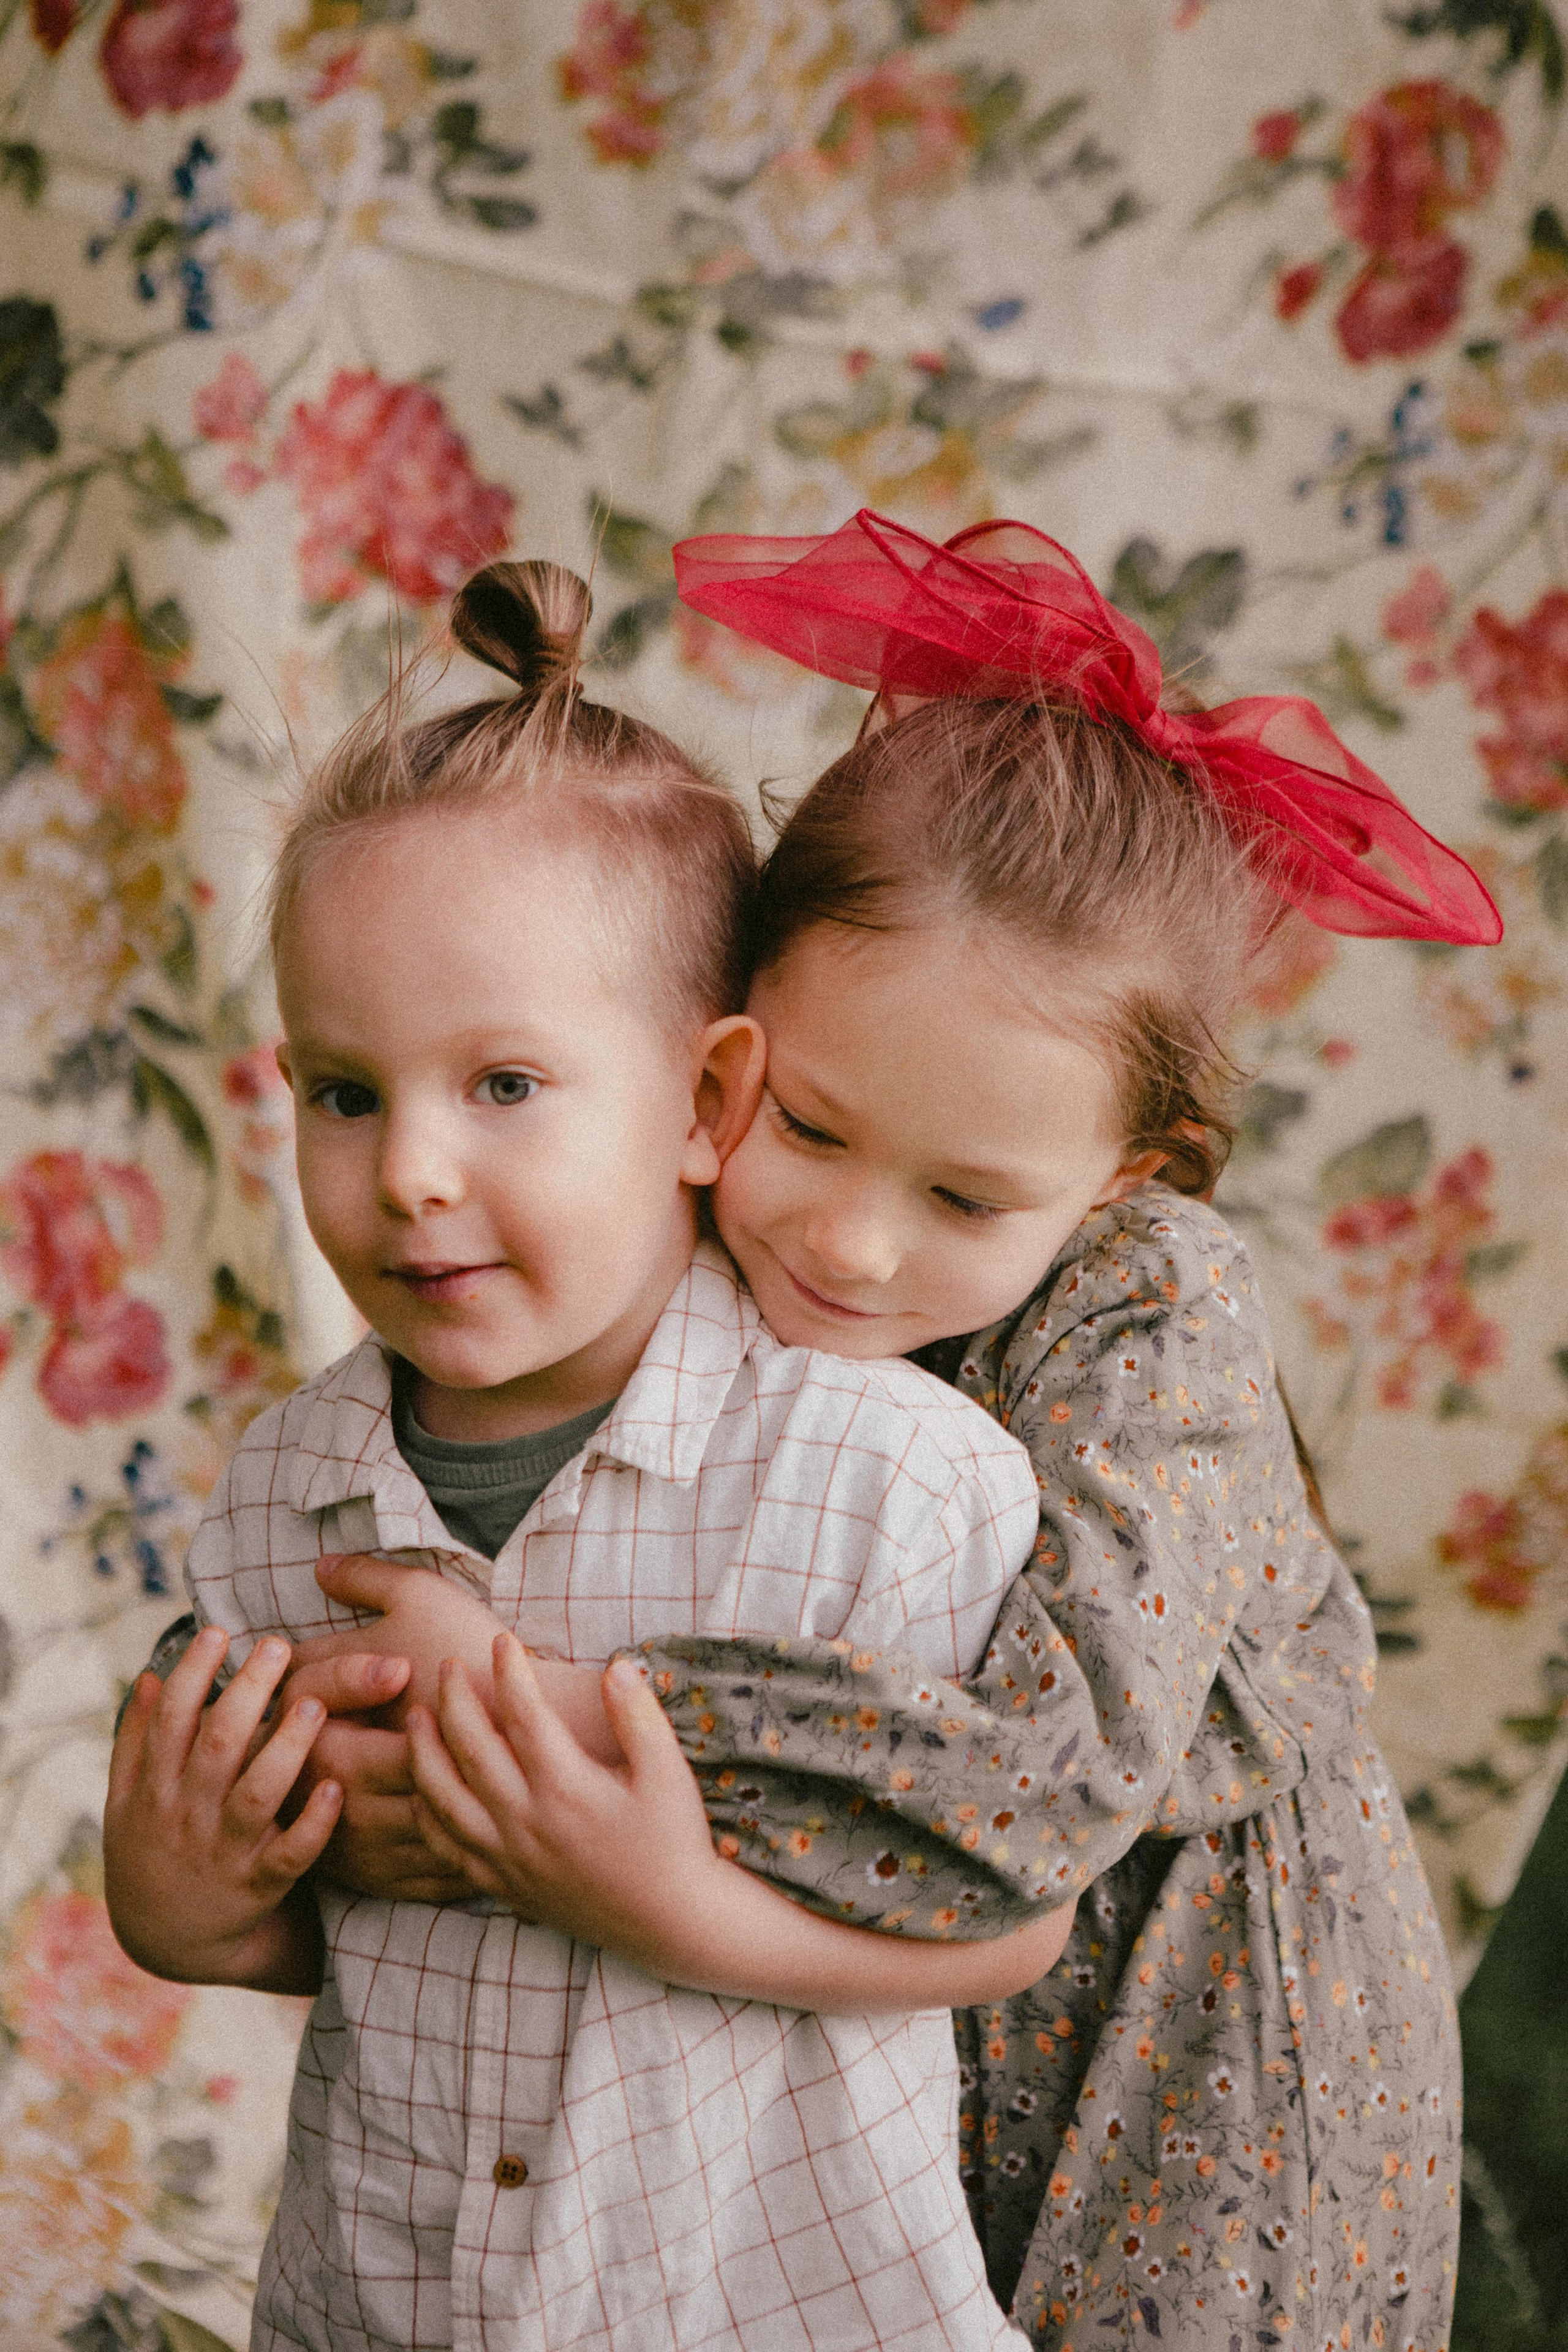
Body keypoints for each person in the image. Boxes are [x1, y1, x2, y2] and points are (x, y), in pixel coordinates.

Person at [271, 516, 1496, 2352]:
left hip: (1198, 2044)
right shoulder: (693, 1249)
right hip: (906, 2030)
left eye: (967, 1196)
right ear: (727, 1060)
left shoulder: (1155, 1309)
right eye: (818, 1132)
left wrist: (520, 1700)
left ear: (1118, 1177)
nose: (851, 1243)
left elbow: (1048, 1774)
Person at [103, 554, 1086, 2352]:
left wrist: (667, 1901)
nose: (408, 1171)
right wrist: (192, 1912)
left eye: (503, 1086)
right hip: (392, 2298)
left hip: (764, 2308)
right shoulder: (282, 1498)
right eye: (344, 1089)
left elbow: (1010, 1927)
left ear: (709, 1103)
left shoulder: (884, 1481)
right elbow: (379, 1937)